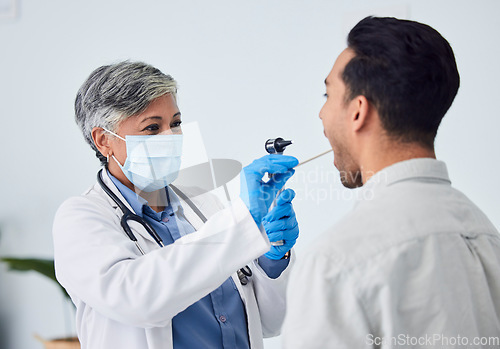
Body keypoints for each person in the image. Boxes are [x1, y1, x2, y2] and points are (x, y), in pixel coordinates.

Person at [282, 16, 500, 348]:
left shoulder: (335, 263)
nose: (322, 114)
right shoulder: (487, 238)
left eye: (327, 95)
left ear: (358, 111)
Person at [52, 61, 300, 349]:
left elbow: (271, 323)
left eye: (176, 123)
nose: (170, 137)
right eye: (152, 128)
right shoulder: (81, 218)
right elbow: (139, 300)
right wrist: (241, 222)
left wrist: (272, 261)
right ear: (103, 140)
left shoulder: (204, 204)